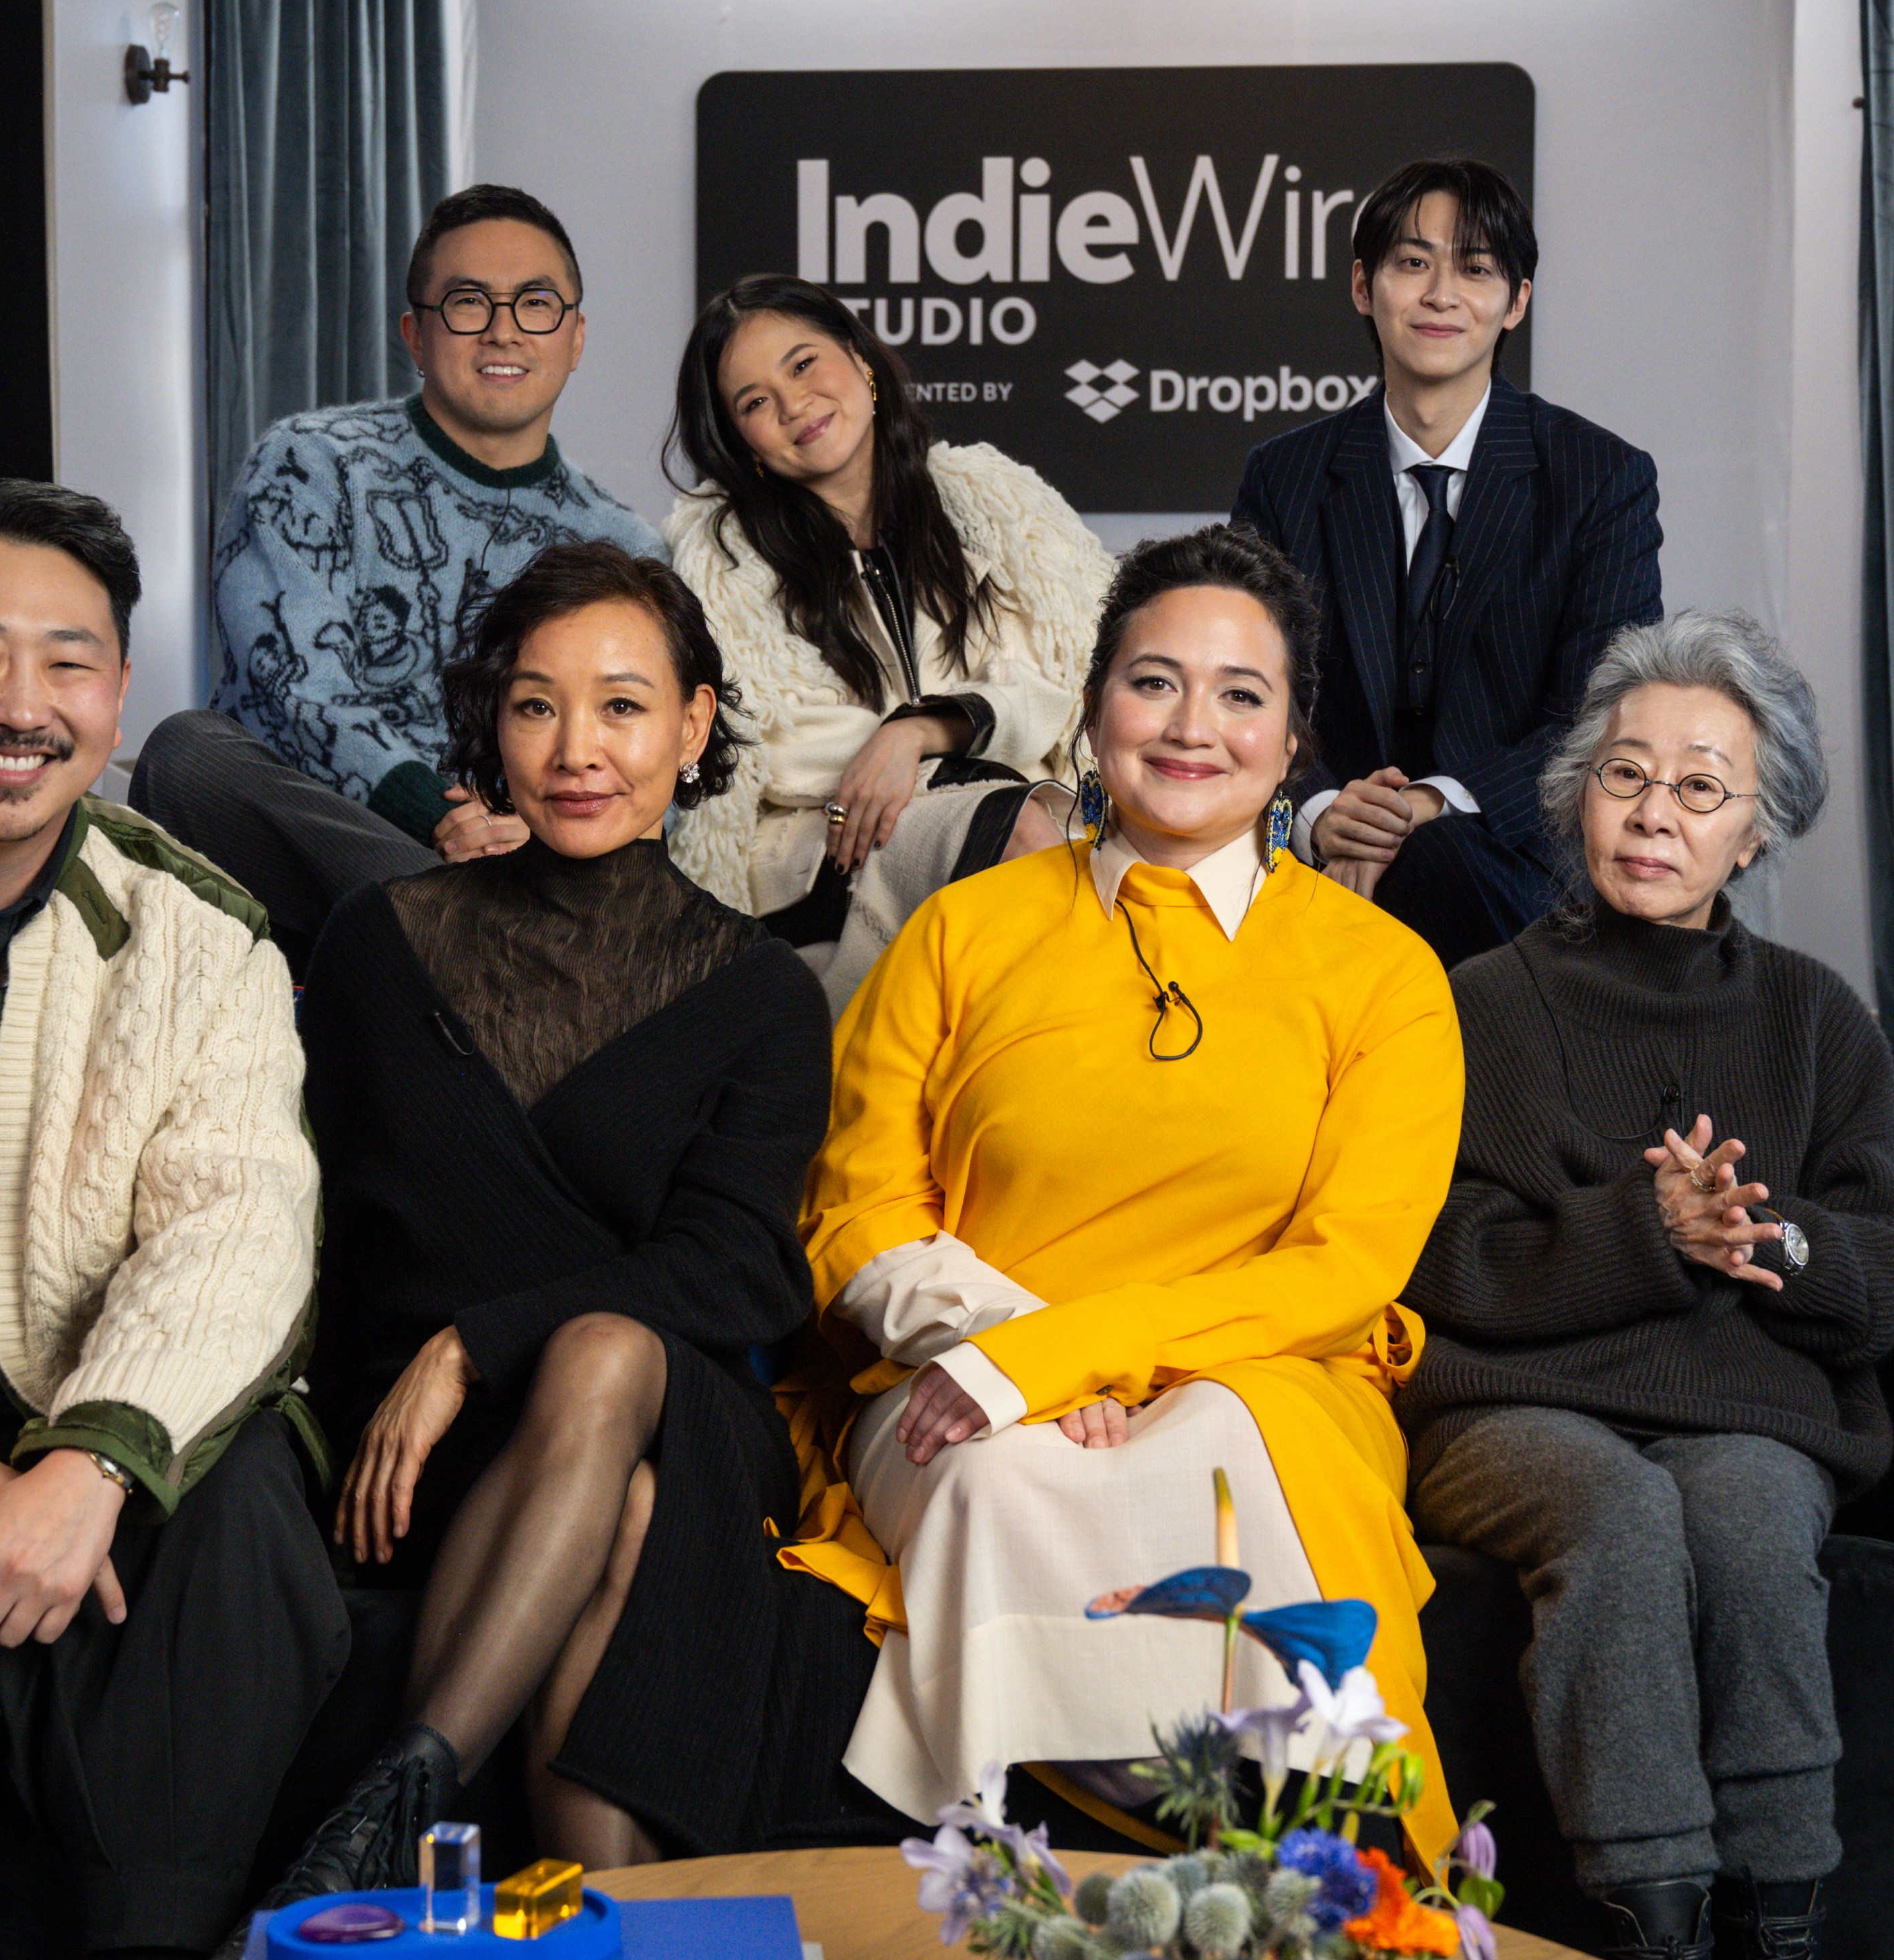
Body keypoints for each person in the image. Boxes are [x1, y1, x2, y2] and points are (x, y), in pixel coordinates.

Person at [778, 522, 1466, 1870]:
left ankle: (1282, 1886)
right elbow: (854, 1209)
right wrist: (1003, 1357)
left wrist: (1059, 1355)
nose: (1192, 725)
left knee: (1214, 1461)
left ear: (1292, 740)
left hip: (1257, 1382)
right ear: (1093, 712)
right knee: (993, 1480)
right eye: (1154, 681)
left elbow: (1345, 1266)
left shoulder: (1383, 975)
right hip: (951, 1372)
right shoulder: (961, 931)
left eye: (1240, 694)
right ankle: (1049, 1894)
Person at [244, 539, 867, 1930]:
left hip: (663, 1408)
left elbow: (739, 1265)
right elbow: (305, 1213)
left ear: (695, 725)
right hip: (420, 1439)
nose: (578, 749)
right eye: (536, 706)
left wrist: (475, 1341)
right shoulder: (377, 941)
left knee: (607, 1358)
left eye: (624, 707)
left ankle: (399, 1804)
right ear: (493, 727)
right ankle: (616, 1925)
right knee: (623, 1514)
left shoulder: (763, 992)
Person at [0, 481, 344, 1960]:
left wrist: (92, 1458)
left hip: (112, 1421)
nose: (23, 704)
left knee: (251, 1494)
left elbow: (241, 1228)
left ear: (119, 695)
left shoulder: (207, 936)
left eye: (68, 663)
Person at [1398, 609, 1893, 1960]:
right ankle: (1653, 1922)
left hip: (1749, 1409)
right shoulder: (1477, 1000)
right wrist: (1643, 1231)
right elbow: (1428, 1244)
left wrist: (1765, 1238)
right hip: (1512, 1408)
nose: (1653, 812)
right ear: (1577, 798)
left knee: (1741, 1513)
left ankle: (1784, 1922)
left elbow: (1881, 1262)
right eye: (1625, 773)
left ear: (1757, 830)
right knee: (1614, 1507)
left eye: (1699, 786)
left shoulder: (1814, 1016)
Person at [130, 184, 666, 974]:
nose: (503, 329)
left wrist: (532, 830)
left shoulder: (623, 545)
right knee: (187, 755)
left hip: (534, 851)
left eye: (536, 303)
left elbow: (642, 747)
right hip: (333, 851)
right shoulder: (311, 462)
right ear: (416, 336)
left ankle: (485, 928)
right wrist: (439, 815)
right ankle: (483, 929)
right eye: (467, 303)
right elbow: (289, 687)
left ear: (577, 336)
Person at [1231, 158, 1664, 970]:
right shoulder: (1283, 477)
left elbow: (1607, 713)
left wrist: (1435, 805)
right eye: (1412, 262)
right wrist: (1321, 809)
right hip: (1321, 850)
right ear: (1364, 287)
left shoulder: (1600, 478)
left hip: (1515, 862)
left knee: (1436, 864)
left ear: (1517, 303)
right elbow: (1243, 687)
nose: (1440, 294)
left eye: (1475, 269)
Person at [665, 275, 1109, 1013]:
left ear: (861, 362)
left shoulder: (990, 500)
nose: (793, 403)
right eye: (754, 402)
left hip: (1018, 815)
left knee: (1085, 856)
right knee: (1028, 839)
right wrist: (936, 761)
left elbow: (1064, 684)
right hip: (827, 861)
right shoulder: (724, 553)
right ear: (746, 449)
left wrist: (923, 731)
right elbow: (766, 746)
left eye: (803, 364)